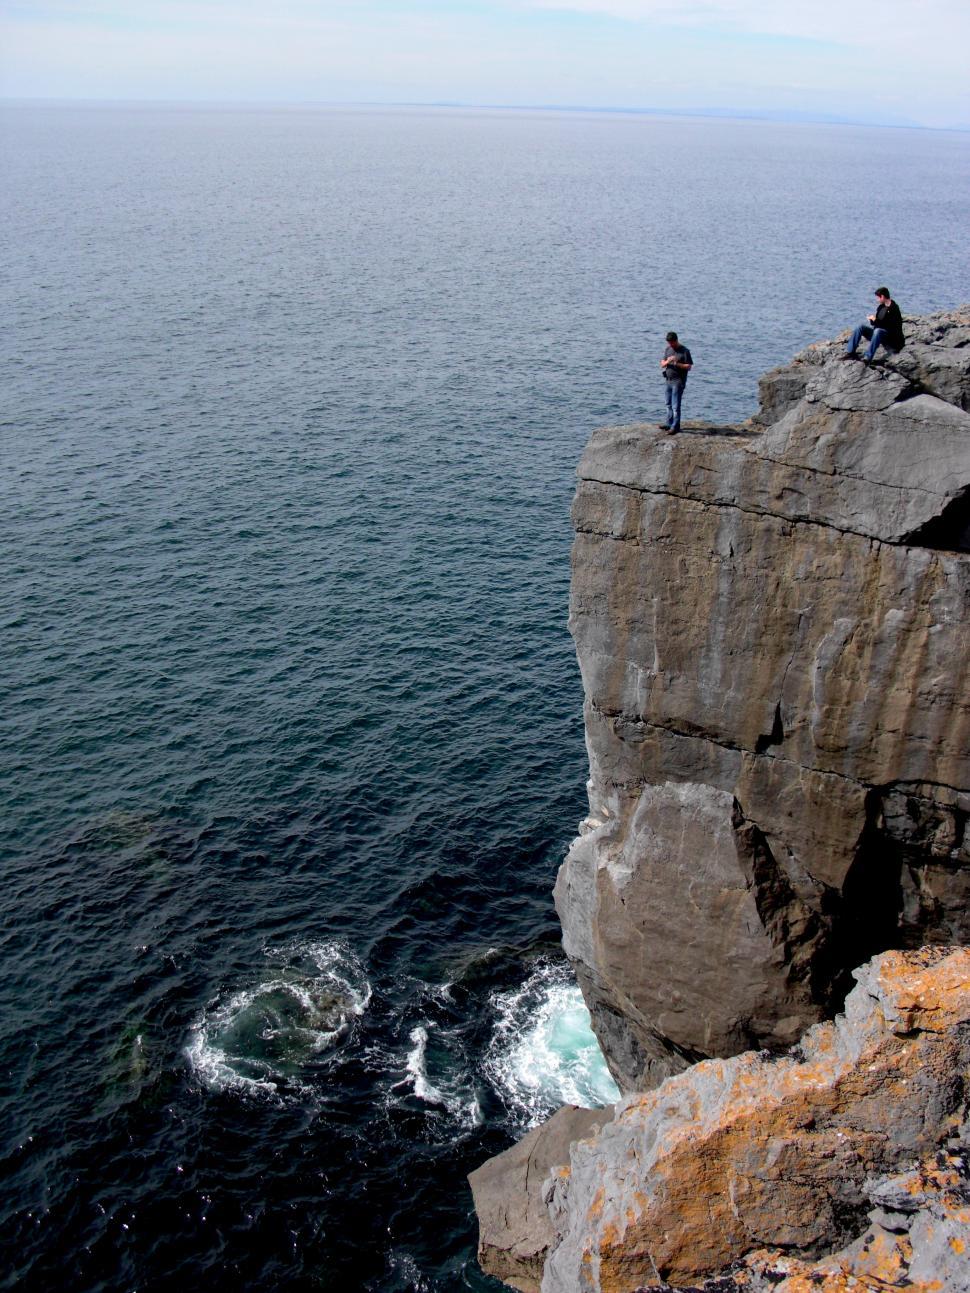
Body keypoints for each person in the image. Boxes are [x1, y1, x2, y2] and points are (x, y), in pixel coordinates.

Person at [842, 288, 905, 362]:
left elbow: (891, 326)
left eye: (878, 297)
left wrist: (875, 320)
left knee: (878, 331)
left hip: (890, 338)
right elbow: (877, 323)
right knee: (860, 327)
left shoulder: (894, 308)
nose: (877, 300)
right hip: (878, 335)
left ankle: (867, 358)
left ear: (882, 296)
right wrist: (872, 320)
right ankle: (850, 352)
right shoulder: (881, 307)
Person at [660, 330, 693, 432]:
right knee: (668, 403)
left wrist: (676, 363)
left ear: (676, 341)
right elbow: (662, 364)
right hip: (668, 380)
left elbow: (689, 366)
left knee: (675, 405)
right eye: (669, 343)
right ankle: (669, 423)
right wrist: (667, 361)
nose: (670, 345)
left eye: (672, 343)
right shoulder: (668, 349)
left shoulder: (685, 351)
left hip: (678, 381)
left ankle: (675, 426)